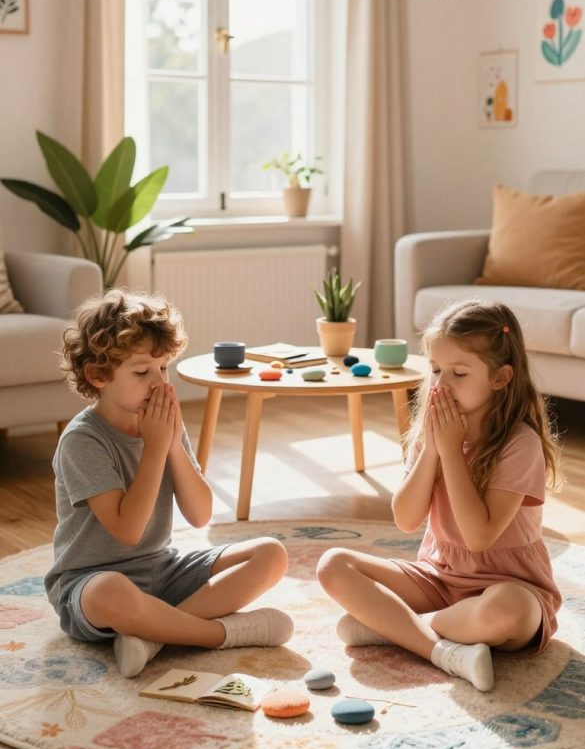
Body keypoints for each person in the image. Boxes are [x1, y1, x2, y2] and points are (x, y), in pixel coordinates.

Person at [317, 299, 563, 692]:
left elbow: (478, 537)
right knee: (333, 564)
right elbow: (406, 519)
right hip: (440, 577)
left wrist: (451, 453)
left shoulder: (519, 444)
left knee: (508, 613)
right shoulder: (433, 435)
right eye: (435, 371)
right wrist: (432, 448)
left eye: (459, 373)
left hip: (509, 585)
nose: (441, 385)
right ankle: (440, 649)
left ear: (500, 378)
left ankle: (396, 627)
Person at [45, 289, 292, 678]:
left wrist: (172, 444)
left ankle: (152, 635)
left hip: (162, 569)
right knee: (113, 592)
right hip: (91, 584)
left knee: (271, 554)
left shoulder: (163, 425)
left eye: (164, 369)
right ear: (98, 376)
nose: (159, 383)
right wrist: (156, 448)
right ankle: (219, 634)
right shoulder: (82, 441)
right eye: (143, 372)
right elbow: (128, 531)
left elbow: (200, 515)